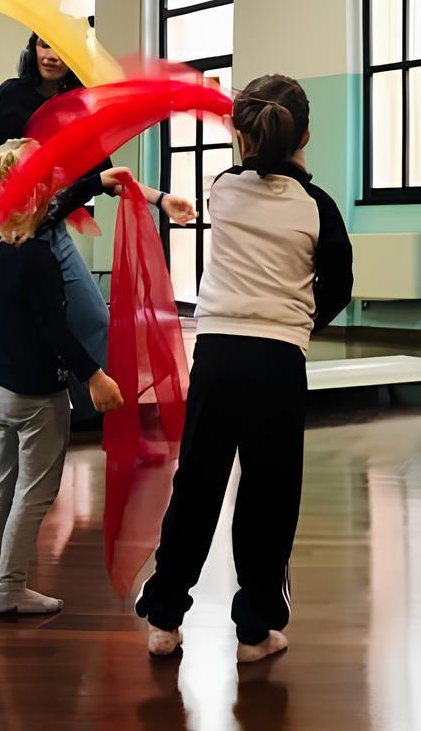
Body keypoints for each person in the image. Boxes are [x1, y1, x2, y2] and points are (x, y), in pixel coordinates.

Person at [136, 74, 352, 664]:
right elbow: (340, 284)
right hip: (277, 360)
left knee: (198, 484)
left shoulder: (221, 187)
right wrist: (301, 322)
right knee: (270, 494)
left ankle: (164, 616)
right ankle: (254, 630)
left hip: (219, 354)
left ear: (239, 135)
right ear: (306, 133)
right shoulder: (319, 207)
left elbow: (250, 166)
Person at [0, 141, 155, 617]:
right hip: (35, 393)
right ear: (37, 198)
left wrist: (95, 182)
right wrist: (94, 376)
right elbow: (56, 330)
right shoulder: (39, 260)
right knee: (34, 491)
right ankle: (9, 588)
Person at [0, 34, 108, 415]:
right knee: (21, 325)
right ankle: (12, 415)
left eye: (61, 48)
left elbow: (103, 170)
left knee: (93, 318)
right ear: (32, 49)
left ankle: (92, 409)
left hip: (51, 226)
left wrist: (156, 197)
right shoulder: (12, 94)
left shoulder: (78, 106)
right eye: (44, 46)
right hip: (11, 230)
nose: (52, 56)